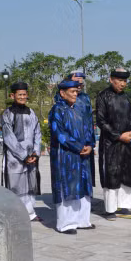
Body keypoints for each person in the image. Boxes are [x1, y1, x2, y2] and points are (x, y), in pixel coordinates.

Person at [48, 80, 94, 234]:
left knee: (82, 185)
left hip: (81, 155)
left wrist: (89, 145)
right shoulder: (57, 110)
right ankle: (66, 223)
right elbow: (59, 134)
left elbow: (87, 128)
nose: (76, 94)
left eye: (76, 91)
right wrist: (78, 146)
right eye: (72, 91)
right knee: (67, 186)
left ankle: (82, 220)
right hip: (65, 155)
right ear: (62, 93)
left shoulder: (78, 109)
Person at [95, 67, 131, 220]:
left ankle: (125, 205)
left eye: (125, 81)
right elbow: (101, 121)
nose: (122, 84)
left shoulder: (127, 98)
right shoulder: (103, 97)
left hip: (127, 142)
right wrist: (118, 136)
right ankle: (110, 209)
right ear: (111, 79)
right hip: (110, 143)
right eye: (119, 80)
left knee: (128, 173)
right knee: (111, 174)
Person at [0, 82, 42, 221]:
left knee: (30, 184)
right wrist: (23, 155)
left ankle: (30, 213)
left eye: (24, 94)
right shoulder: (7, 114)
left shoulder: (31, 113)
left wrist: (35, 152)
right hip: (14, 158)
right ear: (12, 95)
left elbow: (37, 133)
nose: (22, 97)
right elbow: (9, 137)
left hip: (32, 157)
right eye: (20, 95)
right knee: (15, 185)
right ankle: (17, 214)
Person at [69, 71, 96, 187]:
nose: (78, 87)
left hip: (86, 141)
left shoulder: (85, 98)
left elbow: (90, 121)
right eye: (76, 84)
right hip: (72, 142)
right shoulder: (62, 97)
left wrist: (91, 143)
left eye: (81, 85)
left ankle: (87, 200)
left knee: (87, 173)